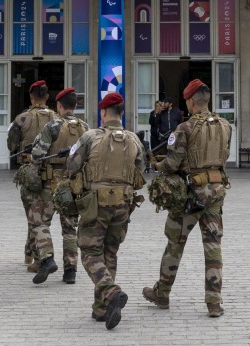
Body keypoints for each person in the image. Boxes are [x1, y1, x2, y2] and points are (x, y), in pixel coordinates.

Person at [143, 79, 231, 318]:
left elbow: (172, 164)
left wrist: (159, 164)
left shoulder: (185, 128)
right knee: (213, 247)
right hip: (216, 191)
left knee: (175, 243)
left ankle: (162, 294)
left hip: (191, 195)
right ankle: (214, 302)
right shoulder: (225, 125)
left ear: (191, 101)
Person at [65, 92, 144, 330]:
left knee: (89, 252)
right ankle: (101, 308)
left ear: (103, 113)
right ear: (121, 114)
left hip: (96, 204)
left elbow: (71, 164)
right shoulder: (134, 140)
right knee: (110, 252)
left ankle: (110, 292)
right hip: (123, 204)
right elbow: (140, 171)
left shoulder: (90, 137)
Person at [29, 87, 90, 286]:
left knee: (39, 221)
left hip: (51, 183)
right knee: (70, 228)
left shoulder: (52, 127)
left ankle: (47, 258)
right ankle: (70, 271)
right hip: (74, 184)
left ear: (59, 106)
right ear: (75, 106)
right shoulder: (86, 128)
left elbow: (38, 155)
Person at [7, 80, 55, 271]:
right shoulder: (57, 119)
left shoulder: (21, 119)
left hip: (29, 172)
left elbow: (11, 145)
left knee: (33, 214)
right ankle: (30, 251)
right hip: (52, 174)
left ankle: (35, 256)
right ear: (48, 97)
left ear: (31, 97)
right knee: (40, 216)